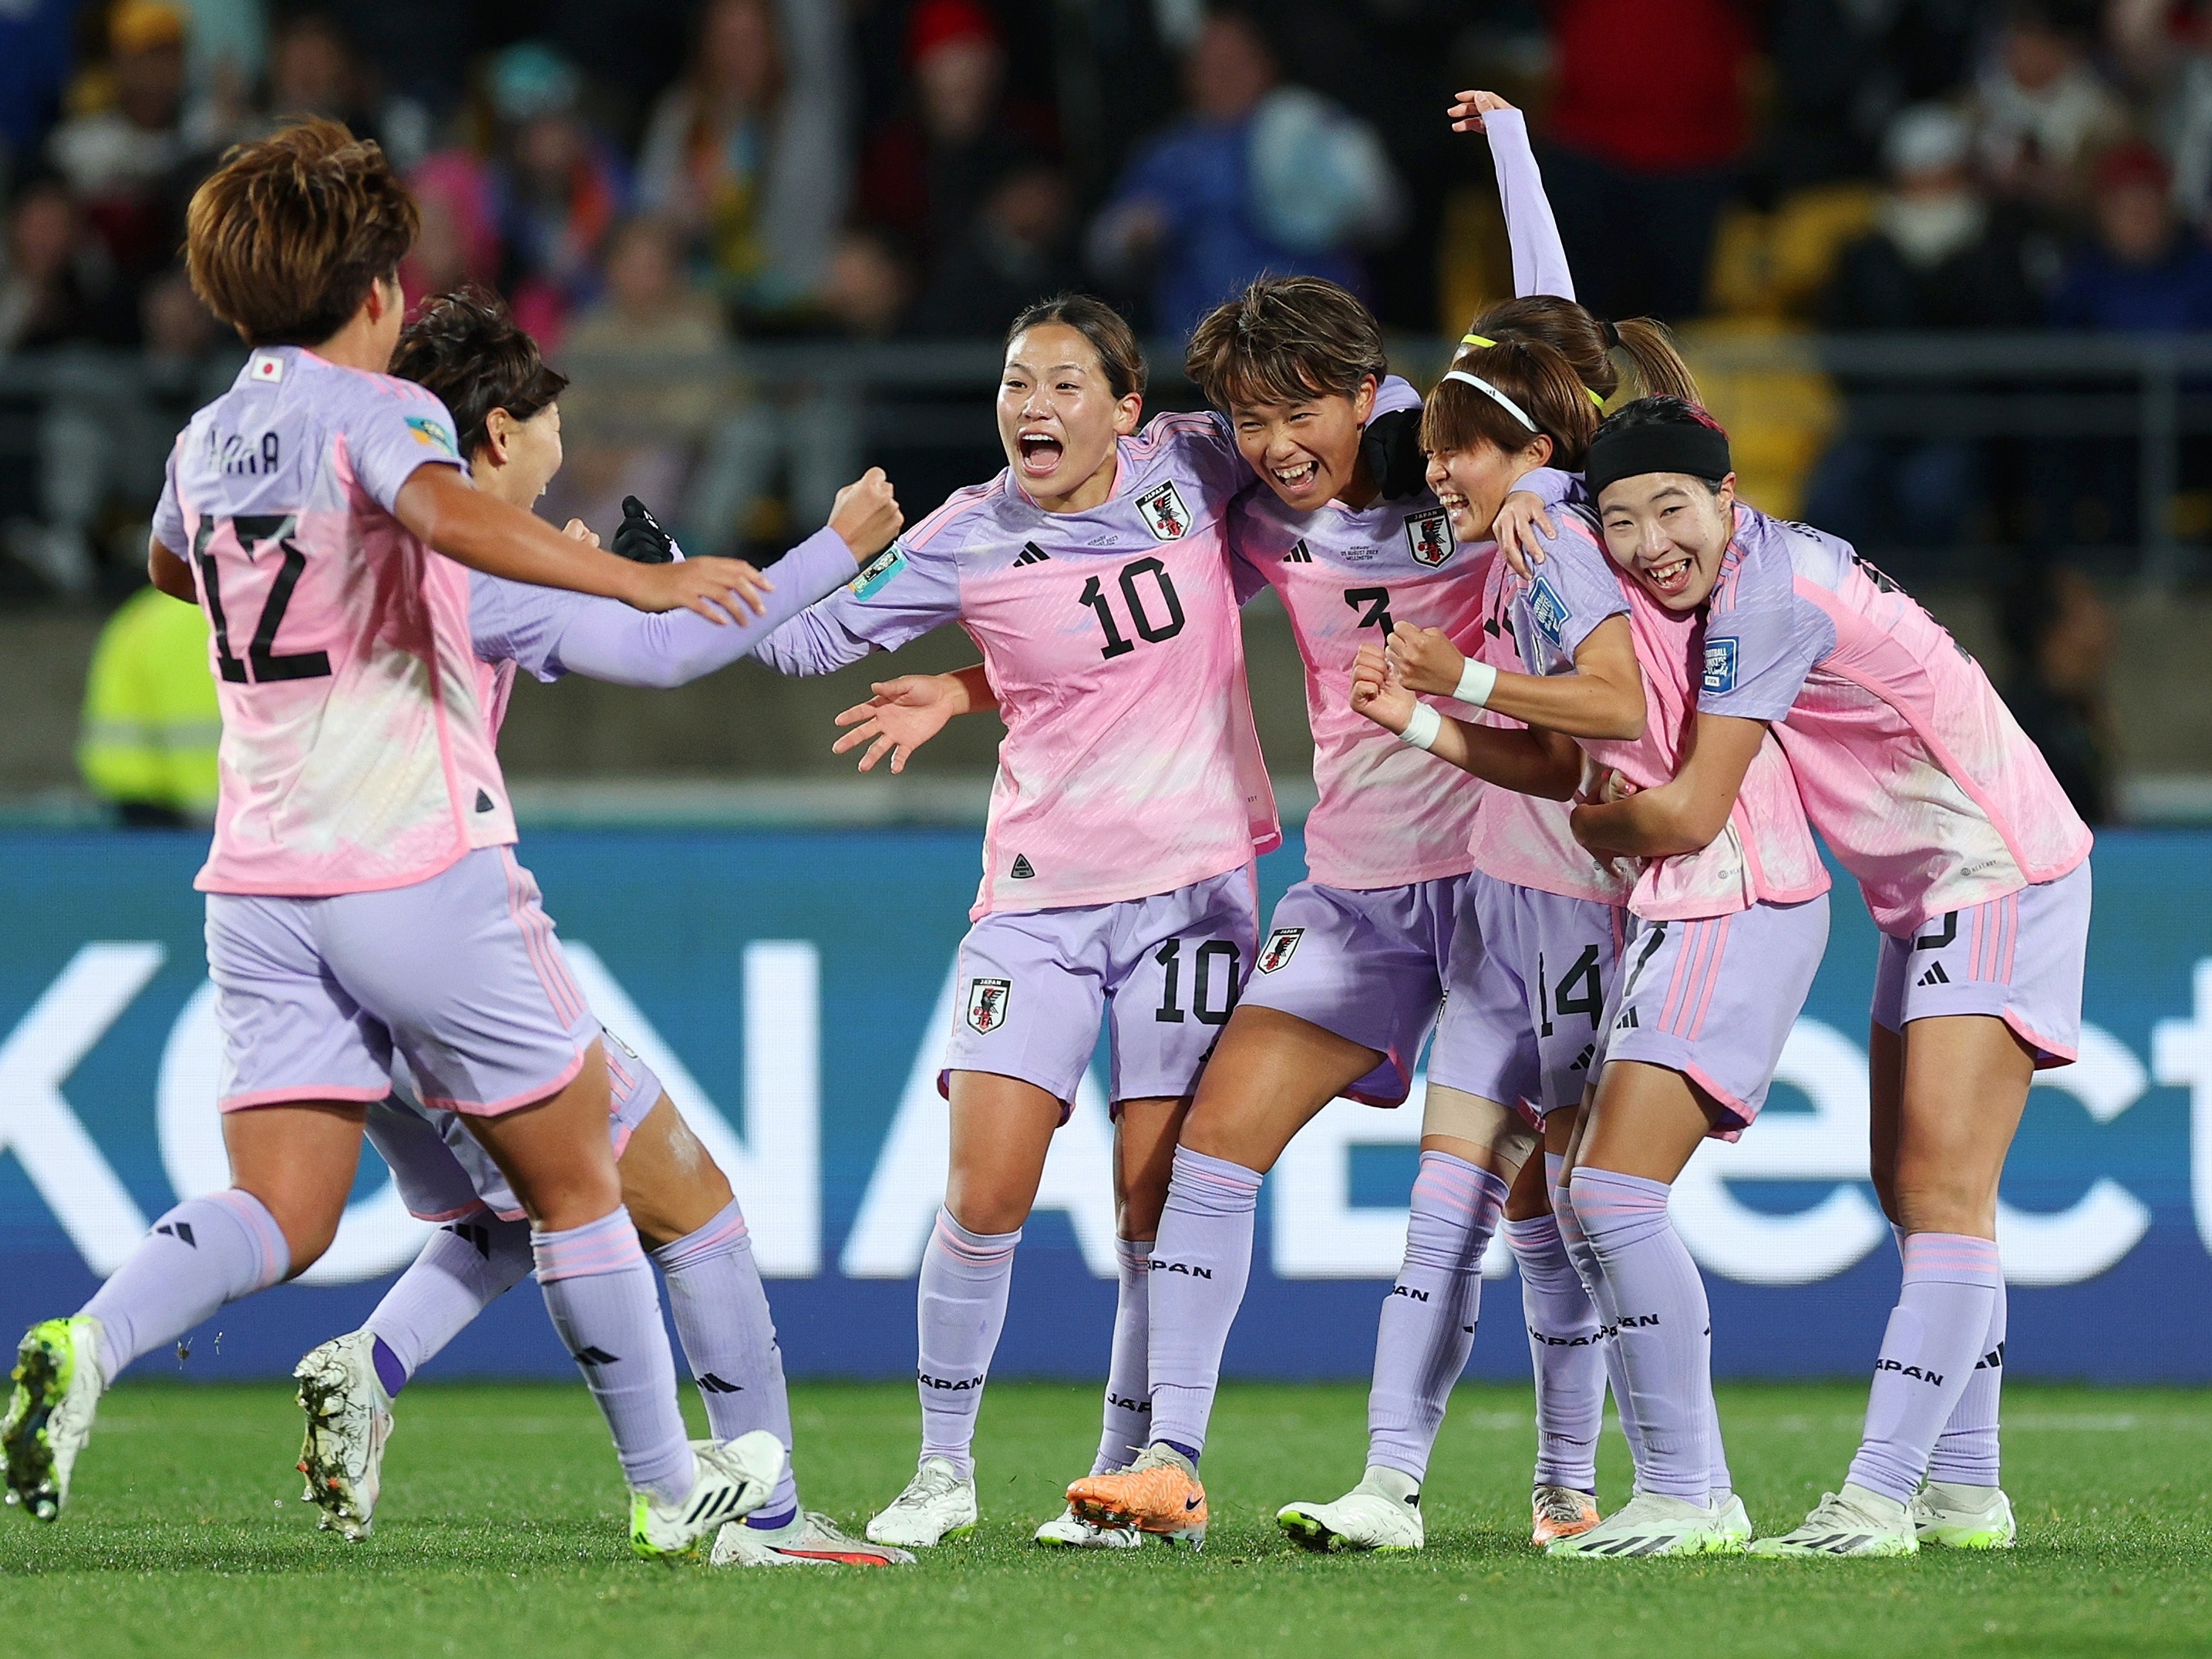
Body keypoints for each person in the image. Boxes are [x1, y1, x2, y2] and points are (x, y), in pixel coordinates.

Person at [0, 119, 781, 1560]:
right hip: (412, 863)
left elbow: (176, 561)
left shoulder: (208, 432)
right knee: (574, 1181)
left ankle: (91, 1345)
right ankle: (676, 1496)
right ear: (373, 293)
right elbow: (443, 514)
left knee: (282, 1207)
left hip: (258, 880)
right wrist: (637, 584)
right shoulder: (383, 415)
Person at [286, 284, 911, 1566]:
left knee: (517, 1216)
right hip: (447, 942)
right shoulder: (468, 559)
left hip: (327, 947)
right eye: (556, 415)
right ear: (501, 431)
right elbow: (675, 653)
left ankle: (372, 1361)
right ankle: (762, 1514)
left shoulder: (378, 545)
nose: (571, 436)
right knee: (693, 1205)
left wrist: (601, 573)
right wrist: (836, 545)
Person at [747, 294, 1278, 1551]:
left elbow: (1311, 464)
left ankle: (1128, 1472)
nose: (1030, 407)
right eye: (1011, 383)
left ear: (1124, 408)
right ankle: (940, 1470)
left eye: (1060, 385)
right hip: (1035, 900)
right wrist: (822, 549)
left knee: (1154, 1195)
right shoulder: (964, 532)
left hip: (1192, 885)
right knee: (982, 1190)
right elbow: (798, 644)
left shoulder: (1195, 466)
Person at [1566, 399, 2089, 1557]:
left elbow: (1695, 810)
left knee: (1942, 1193)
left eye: (1672, 509)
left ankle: (1878, 1499)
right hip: (1931, 886)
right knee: (1913, 1195)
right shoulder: (1761, 558)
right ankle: (1966, 1493)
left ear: (1728, 499)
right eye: (1619, 520)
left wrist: (1596, 827)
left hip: (1993, 865)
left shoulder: (1765, 604)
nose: (1651, 541)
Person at [1357, 358, 1837, 1560]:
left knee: (1603, 1195)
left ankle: (1675, 1488)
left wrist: (1459, 674)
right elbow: (1572, 759)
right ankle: (1647, 1489)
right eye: (1625, 515)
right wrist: (1425, 718)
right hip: (1675, 898)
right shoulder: (1571, 536)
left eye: (1455, 449)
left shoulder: (1563, 549)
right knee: (1582, 1197)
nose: (1433, 473)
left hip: (1729, 885)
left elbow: (1616, 720)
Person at [1086, 10, 1401, 337]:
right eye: (1212, 66)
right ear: (1188, 74)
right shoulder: (1169, 155)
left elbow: (1385, 215)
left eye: (1237, 63)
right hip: (1208, 354)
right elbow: (1104, 252)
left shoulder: (1311, 127)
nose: (1226, 76)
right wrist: (1134, 231)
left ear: (1266, 64)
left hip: (1317, 341)